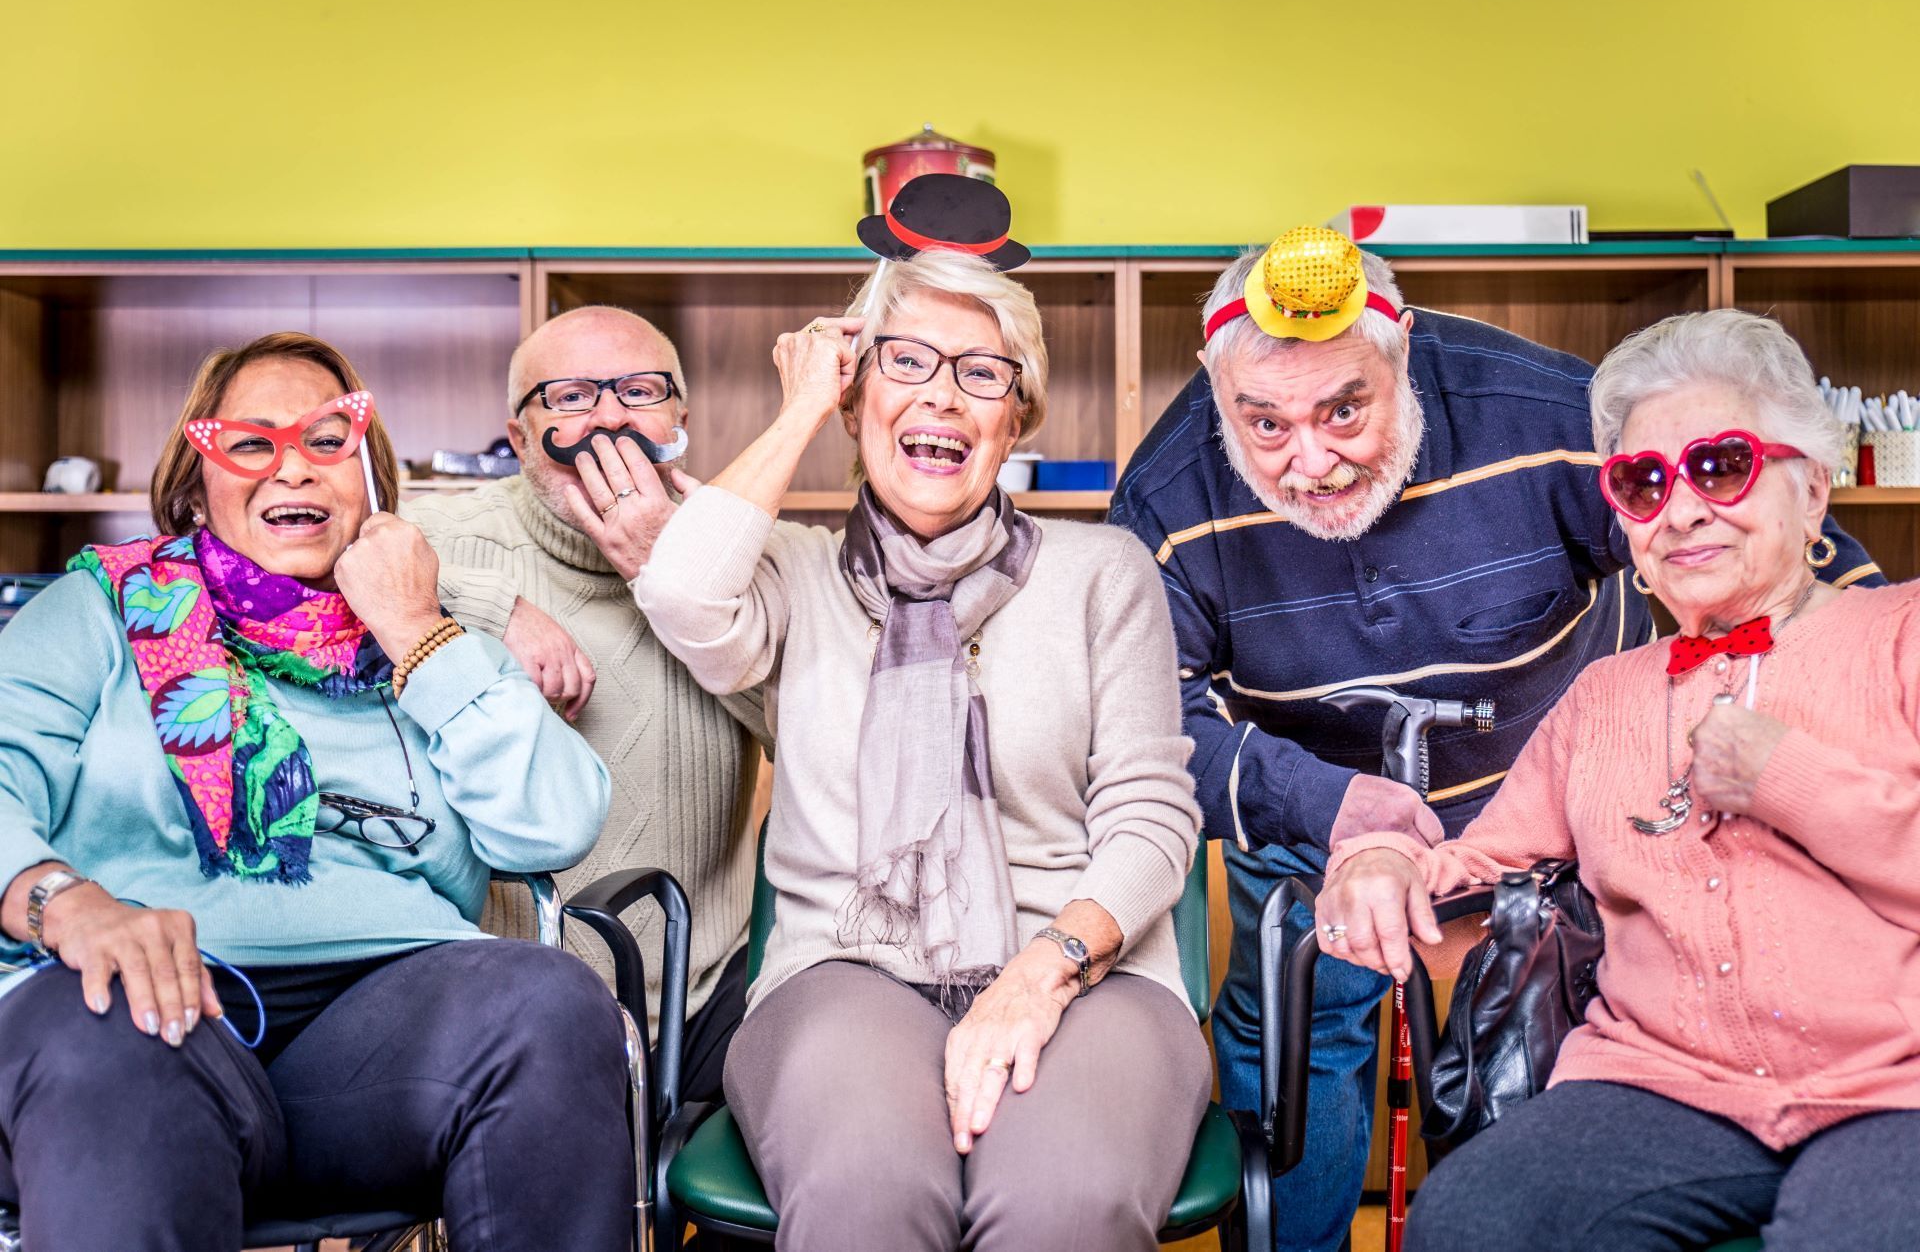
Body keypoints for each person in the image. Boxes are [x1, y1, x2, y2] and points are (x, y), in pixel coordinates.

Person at [1107, 227, 1883, 1251]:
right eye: (1265, 423)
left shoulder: (1552, 415)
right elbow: (1148, 722)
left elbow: (1745, 531)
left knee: (1555, 1037)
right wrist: (1340, 814)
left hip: (1560, 800)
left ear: (1404, 351)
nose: (1312, 457)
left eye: (1346, 407)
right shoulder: (1162, 501)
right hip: (1315, 806)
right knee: (1298, 1023)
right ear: (1216, 390)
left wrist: (1847, 689)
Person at [632, 238, 1211, 1251]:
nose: (942, 396)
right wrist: (803, 402)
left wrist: (1040, 973)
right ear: (857, 399)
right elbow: (679, 588)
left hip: (1089, 977)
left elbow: (1152, 819)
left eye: (982, 373)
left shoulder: (1102, 571)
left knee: (1060, 1201)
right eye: (905, 361)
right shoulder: (793, 575)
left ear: (1017, 416)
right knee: (866, 1190)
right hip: (846, 969)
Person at [0, 332, 628, 1251]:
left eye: (326, 439)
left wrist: (417, 628)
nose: (291, 466)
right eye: (251, 443)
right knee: (101, 1020)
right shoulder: (94, 615)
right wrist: (69, 903)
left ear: (367, 478)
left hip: (387, 1035)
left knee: (549, 1000)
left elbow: (555, 825)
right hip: (152, 1010)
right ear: (195, 483)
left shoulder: (430, 637)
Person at [1316, 308, 1920, 1251]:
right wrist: (1385, 859)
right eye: (1643, 483)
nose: (1680, 511)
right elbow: (1485, 869)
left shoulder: (1901, 637)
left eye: (1720, 467)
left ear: (1812, 489)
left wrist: (1788, 778)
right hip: (1659, 1085)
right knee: (1473, 1220)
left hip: (1898, 1088)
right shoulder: (1605, 695)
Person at [406, 304, 762, 1104]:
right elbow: (332, 559)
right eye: (569, 397)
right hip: (504, 994)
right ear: (520, 432)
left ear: (680, 419)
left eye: (638, 390)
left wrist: (679, 585)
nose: (607, 419)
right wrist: (496, 612)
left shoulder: (742, 551)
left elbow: (813, 730)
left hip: (707, 987)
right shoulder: (440, 536)